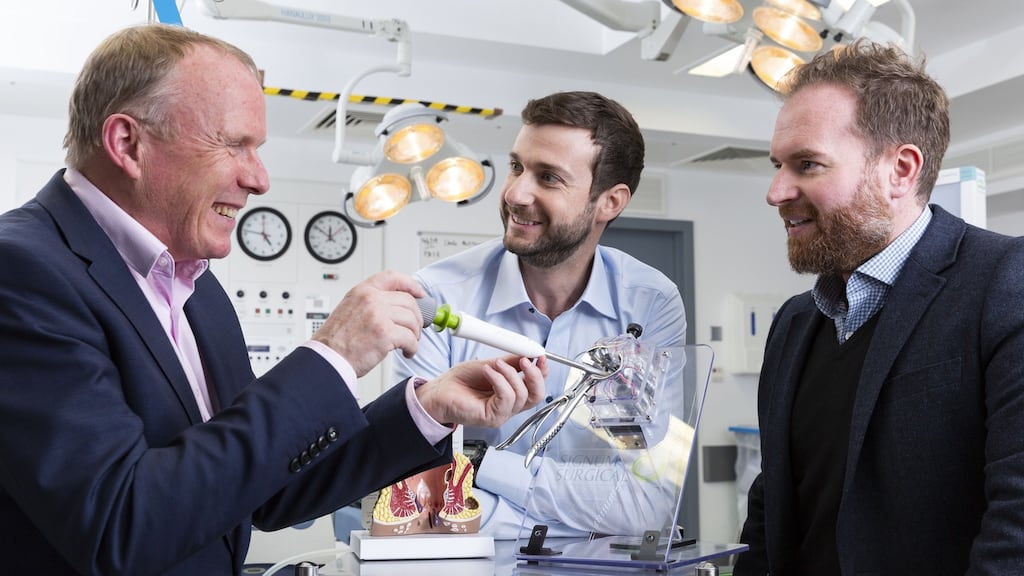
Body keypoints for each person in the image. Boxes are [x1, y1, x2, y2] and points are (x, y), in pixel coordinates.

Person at [0, 24, 548, 576]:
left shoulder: (196, 287)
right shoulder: (21, 271)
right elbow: (120, 523)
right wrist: (333, 356)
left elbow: (268, 491)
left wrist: (428, 407)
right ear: (128, 144)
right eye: (235, 145)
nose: (259, 179)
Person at [734, 39, 1024, 575]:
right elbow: (769, 510)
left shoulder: (1005, 283)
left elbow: (1017, 527)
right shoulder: (794, 324)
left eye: (808, 164)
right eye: (778, 164)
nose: (776, 191)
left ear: (901, 169)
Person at [392, 91, 688, 539]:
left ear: (609, 202)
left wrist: (480, 462)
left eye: (548, 178)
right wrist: (580, 514)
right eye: (516, 167)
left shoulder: (652, 303)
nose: (515, 192)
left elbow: (649, 498)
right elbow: (416, 495)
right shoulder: (436, 296)